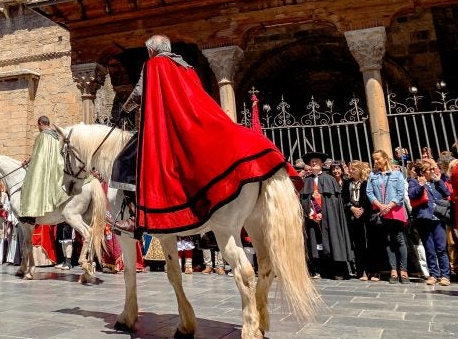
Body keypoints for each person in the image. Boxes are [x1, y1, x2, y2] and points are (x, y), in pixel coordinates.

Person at [112, 34, 300, 237]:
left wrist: (126, 107)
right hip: (198, 123)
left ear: (151, 51)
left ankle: (136, 217)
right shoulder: (187, 68)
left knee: (126, 161)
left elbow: (140, 92)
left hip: (170, 127)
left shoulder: (153, 65)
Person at [300, 151, 354, 279]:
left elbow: (334, 202)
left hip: (329, 218)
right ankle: (317, 269)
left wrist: (324, 213)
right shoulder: (306, 181)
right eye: (312, 162)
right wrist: (311, 213)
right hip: (312, 218)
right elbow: (303, 200)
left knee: (332, 240)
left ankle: (336, 270)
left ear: (322, 164)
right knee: (314, 242)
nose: (314, 163)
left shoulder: (330, 179)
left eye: (317, 161)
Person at [367, 149, 409, 283]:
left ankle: (403, 270)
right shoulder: (373, 175)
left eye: (378, 158)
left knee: (399, 240)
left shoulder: (397, 174)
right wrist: (380, 205)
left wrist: (389, 206)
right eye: (374, 159)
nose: (376, 161)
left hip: (395, 211)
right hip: (381, 212)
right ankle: (393, 270)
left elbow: (400, 193)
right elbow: (369, 192)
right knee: (388, 241)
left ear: (385, 158)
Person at [408, 159, 451, 286]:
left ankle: (445, 275)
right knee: (429, 248)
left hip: (437, 218)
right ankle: (434, 274)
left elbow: (447, 193)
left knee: (441, 248)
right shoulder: (413, 182)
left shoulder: (435, 182)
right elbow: (412, 195)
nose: (433, 171)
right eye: (430, 170)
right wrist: (421, 185)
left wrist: (439, 182)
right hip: (424, 219)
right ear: (422, 172)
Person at [20, 115, 67, 220]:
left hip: (45, 166)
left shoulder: (42, 136)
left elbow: (38, 155)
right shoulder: (56, 136)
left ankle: (30, 213)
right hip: (56, 167)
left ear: (41, 123)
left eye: (38, 125)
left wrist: (30, 164)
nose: (38, 128)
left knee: (31, 182)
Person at [342, 160, 376, 281]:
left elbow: (370, 197)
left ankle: (373, 271)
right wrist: (351, 208)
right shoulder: (347, 183)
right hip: (353, 216)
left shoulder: (366, 183)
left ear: (360, 170)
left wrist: (362, 209)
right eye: (351, 168)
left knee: (369, 244)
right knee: (358, 245)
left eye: (354, 168)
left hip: (365, 216)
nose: (351, 171)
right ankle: (361, 271)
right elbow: (344, 198)